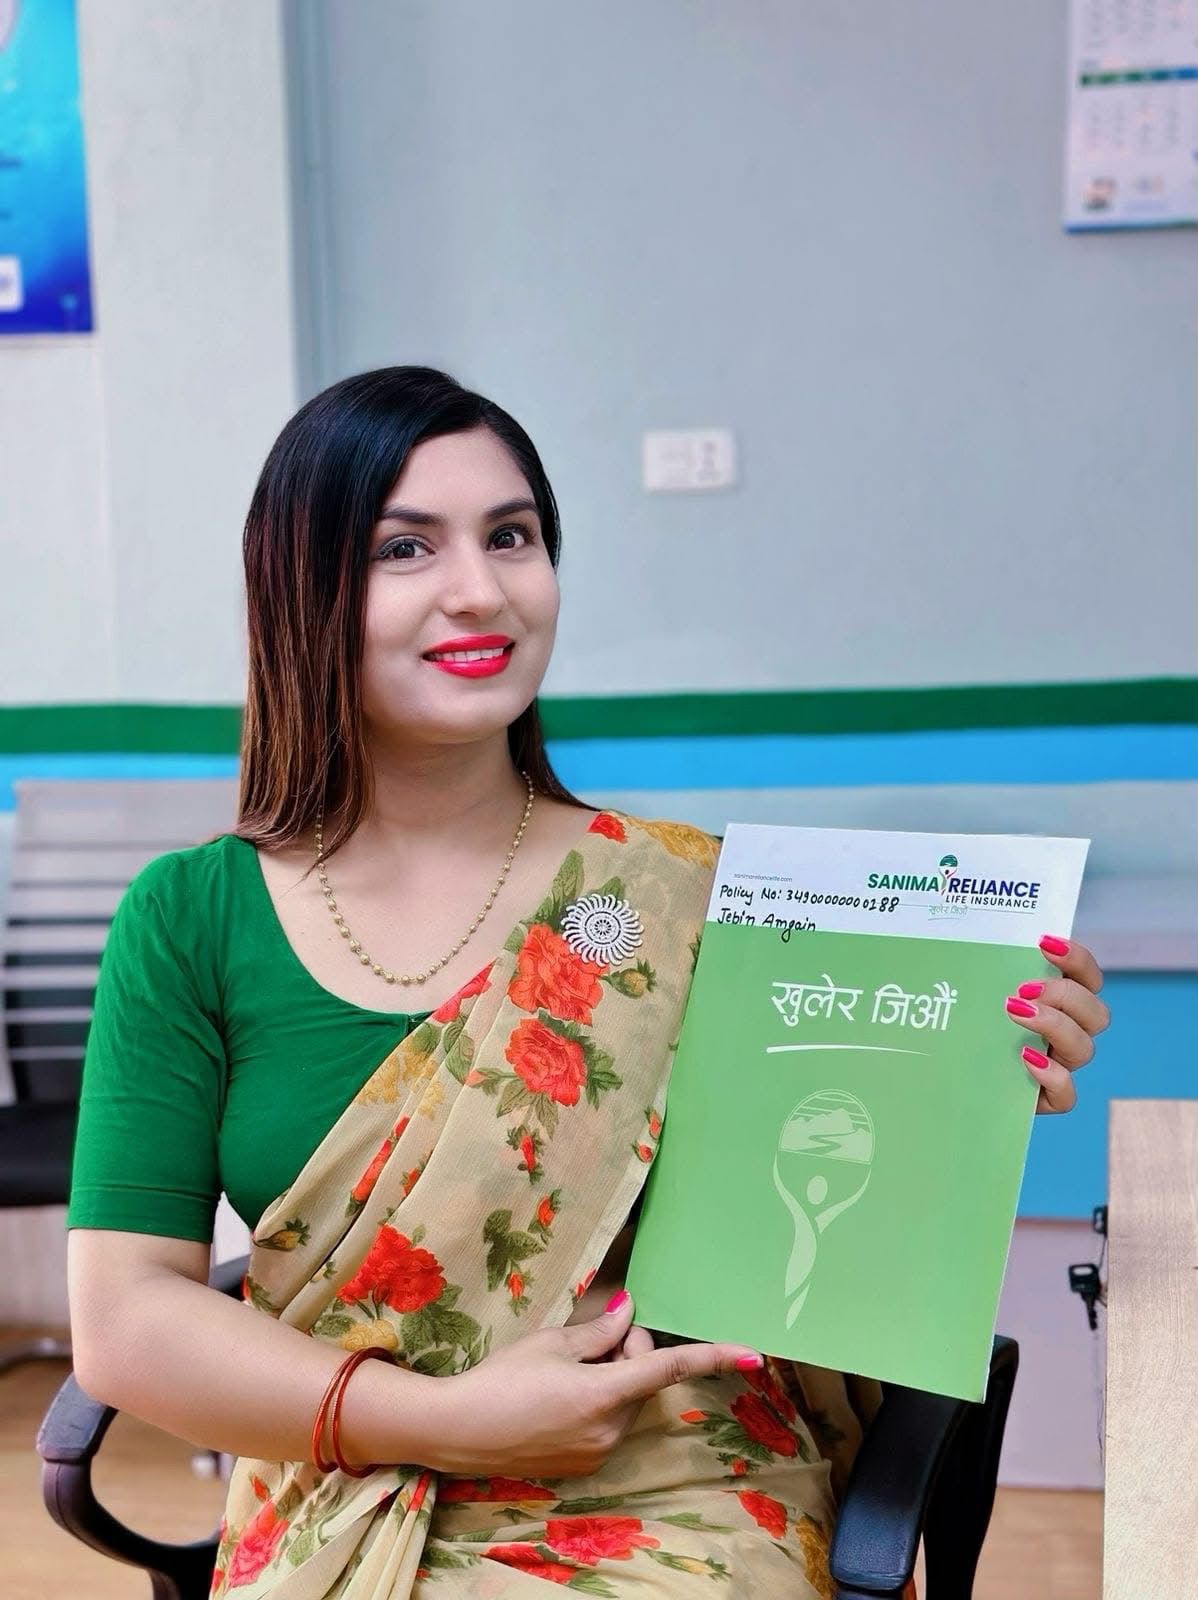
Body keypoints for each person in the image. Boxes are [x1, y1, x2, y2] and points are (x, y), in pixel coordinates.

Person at [66, 367, 1111, 1598]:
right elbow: (125, 1319)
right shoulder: (190, 919)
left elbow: (829, 1209)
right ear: (300, 588)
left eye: (511, 536)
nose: (482, 589)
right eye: (406, 547)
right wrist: (441, 1420)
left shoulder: (687, 899)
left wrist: (977, 1077)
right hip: (341, 1475)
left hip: (676, 1478)